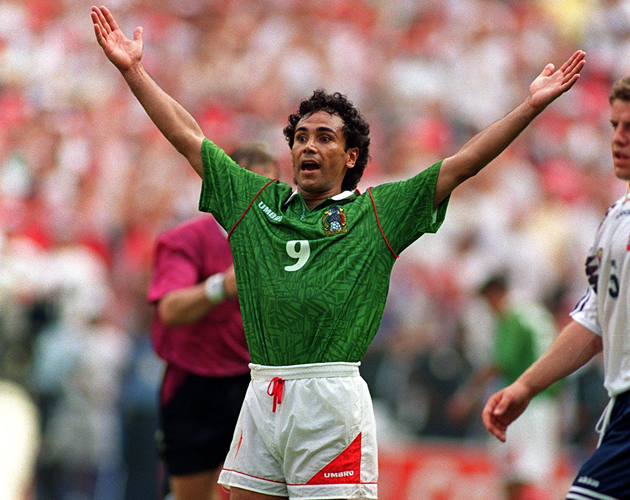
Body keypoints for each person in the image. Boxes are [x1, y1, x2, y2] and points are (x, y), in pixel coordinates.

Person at [91, 5, 585, 499]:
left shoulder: (378, 213)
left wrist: (529, 107)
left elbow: (462, 165)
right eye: (300, 137)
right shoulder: (256, 206)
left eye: (324, 137)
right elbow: (188, 137)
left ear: (350, 156)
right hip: (262, 393)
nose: (308, 146)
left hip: (328, 402)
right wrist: (133, 71)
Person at [482, 76, 630, 500]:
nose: (618, 138)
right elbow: (592, 323)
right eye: (614, 125)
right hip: (620, 408)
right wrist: (524, 386)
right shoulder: (615, 220)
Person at [148, 144, 279, 500]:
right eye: (247, 187)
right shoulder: (187, 239)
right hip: (196, 385)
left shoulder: (284, 243)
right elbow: (170, 309)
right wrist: (223, 285)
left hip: (259, 384)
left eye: (268, 190)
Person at [448, 273, 561, 500]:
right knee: (532, 470)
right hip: (548, 401)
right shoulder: (535, 313)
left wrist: (466, 395)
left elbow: (501, 362)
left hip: (524, 404)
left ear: (495, 294)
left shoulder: (512, 318)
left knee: (517, 475)